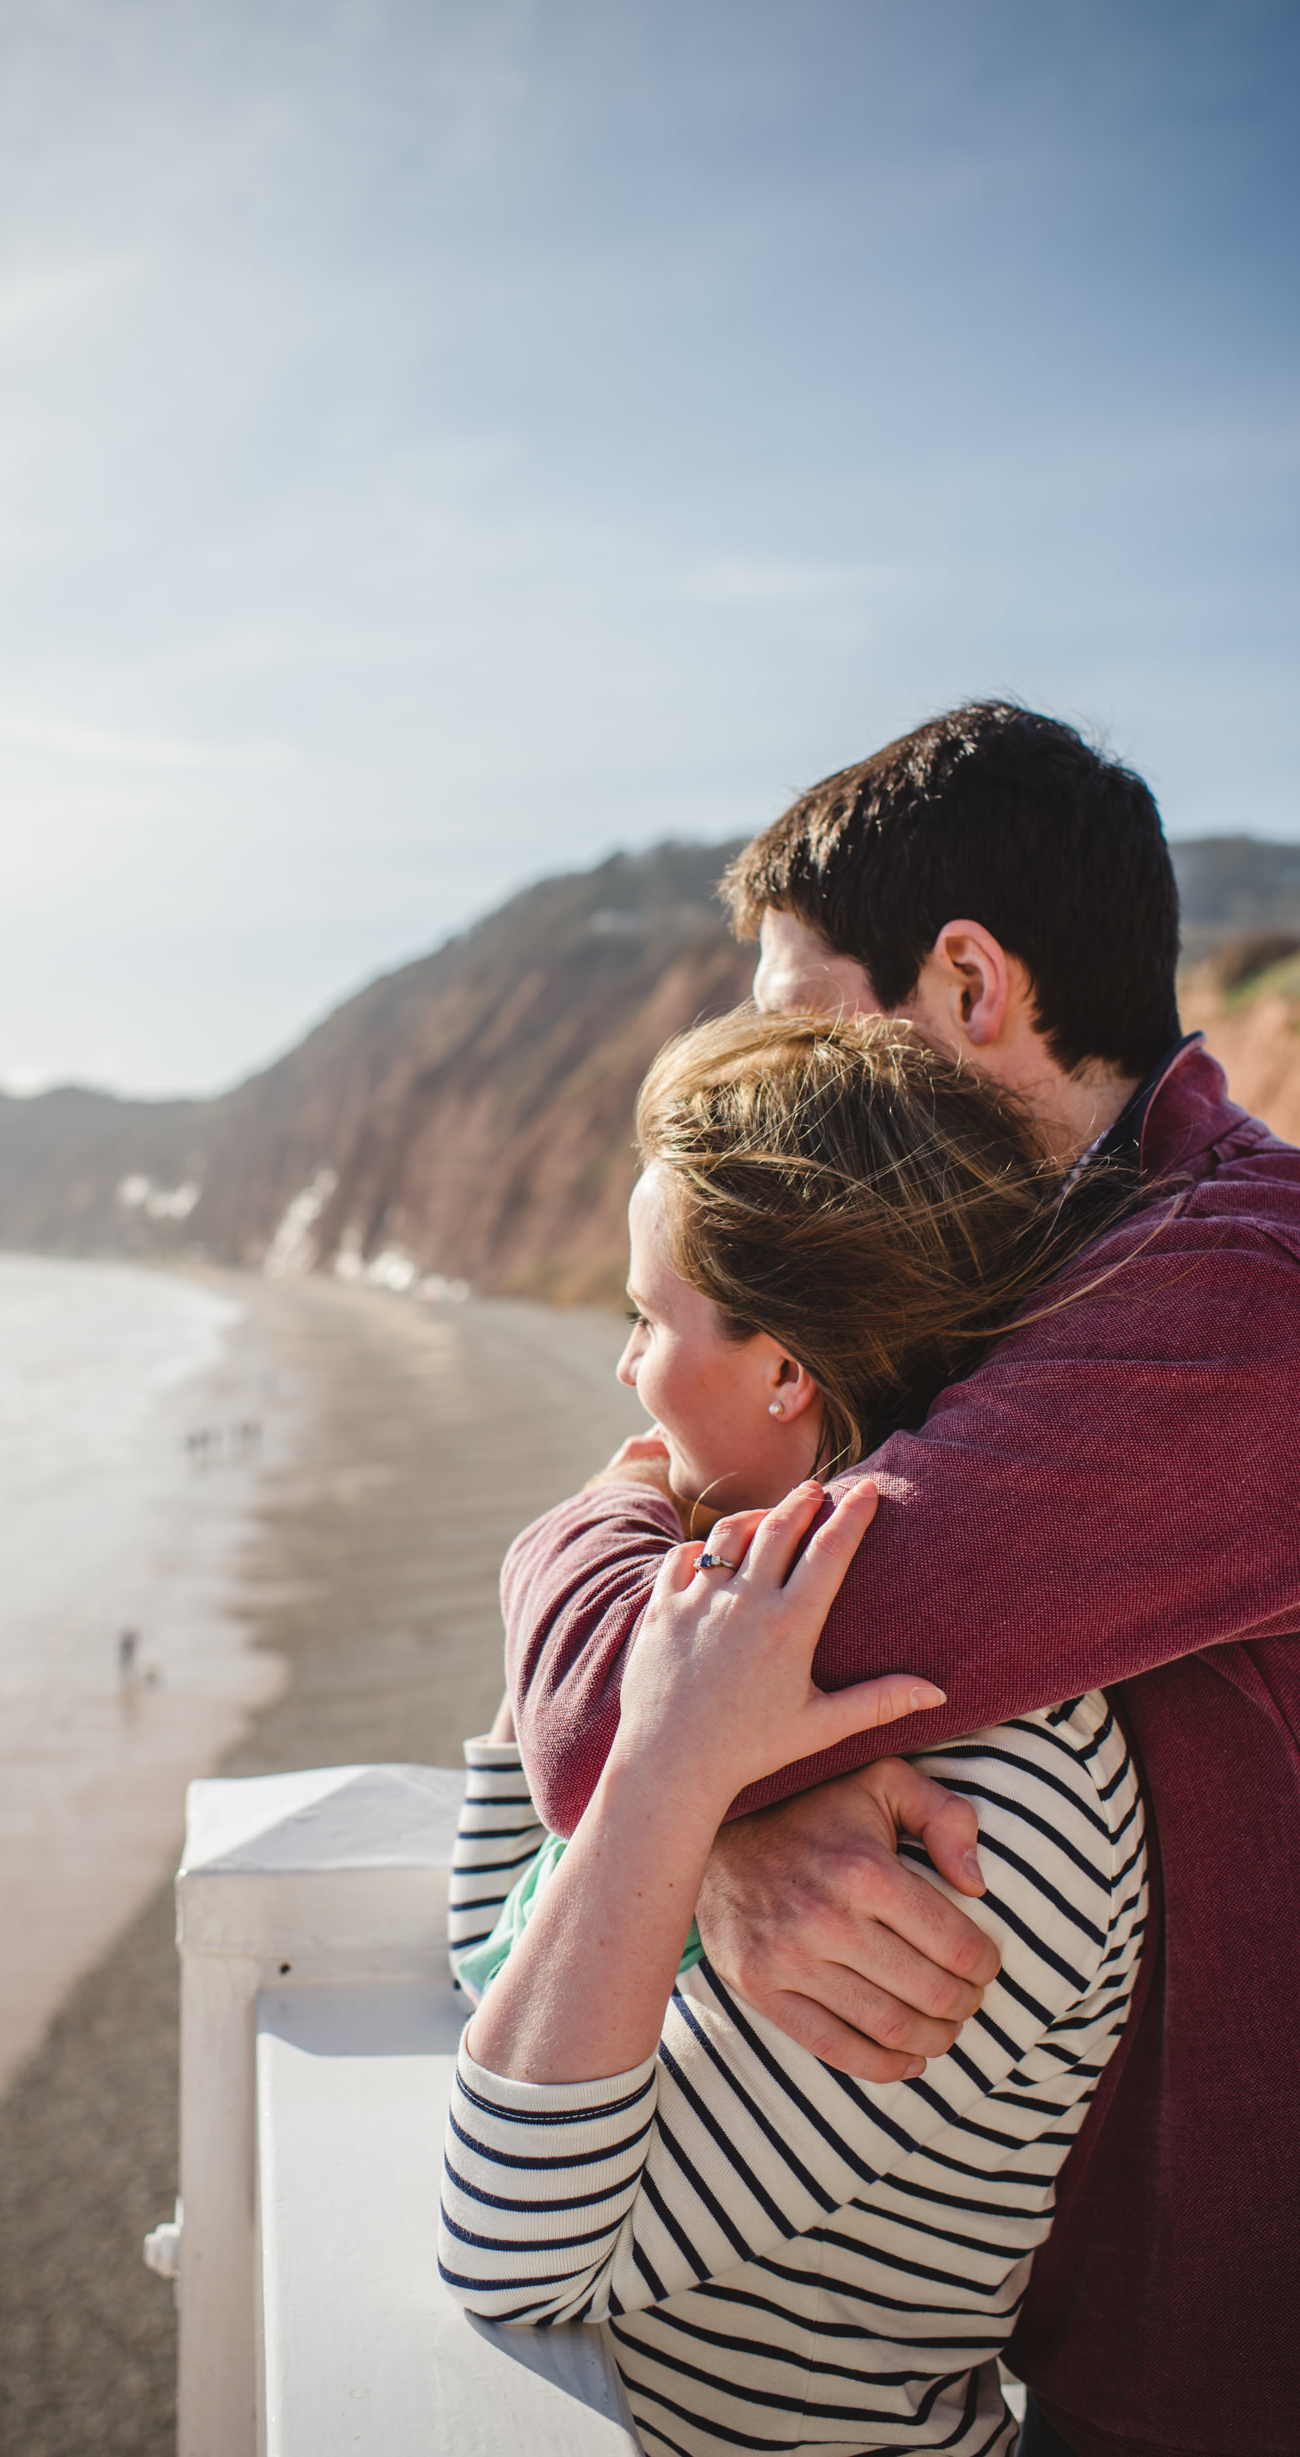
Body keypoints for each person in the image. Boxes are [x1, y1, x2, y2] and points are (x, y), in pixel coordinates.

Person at [502, 704, 1300, 2457]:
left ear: (965, 985)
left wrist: (686, 1768)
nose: (783, 1086)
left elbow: (624, 1717)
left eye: (800, 1019)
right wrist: (719, 1827)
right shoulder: (1054, 1277)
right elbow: (685, 1719)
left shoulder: (1236, 1309)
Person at [442, 1010, 1149, 2456]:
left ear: (785, 1374)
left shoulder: (988, 1806)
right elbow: (485, 1935)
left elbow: (513, 2237)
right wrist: (697, 1803)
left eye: (647, 1318)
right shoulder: (740, 1669)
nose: (624, 1370)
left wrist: (673, 1770)